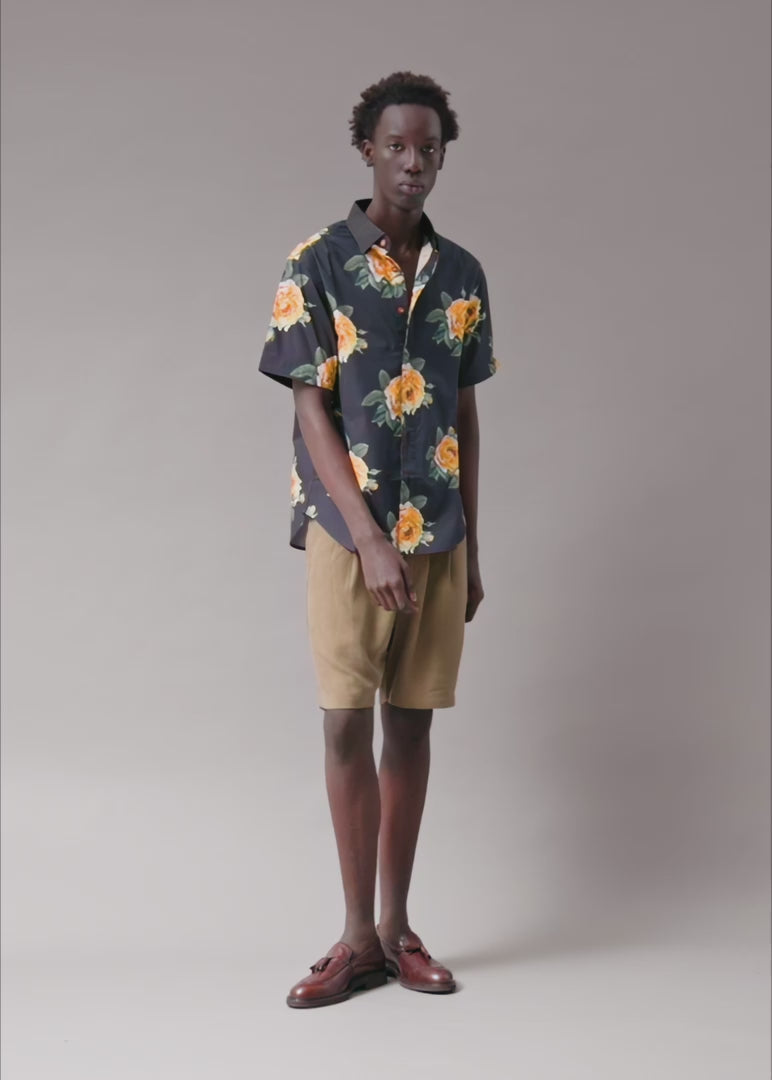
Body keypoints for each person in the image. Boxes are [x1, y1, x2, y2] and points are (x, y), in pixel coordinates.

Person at [258, 71, 497, 1009]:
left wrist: (472, 546)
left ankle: (397, 933)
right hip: (346, 532)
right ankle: (354, 939)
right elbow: (309, 408)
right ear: (367, 148)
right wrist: (367, 539)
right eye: (396, 145)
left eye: (428, 148)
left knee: (414, 722)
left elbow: (464, 413)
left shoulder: (463, 275)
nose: (413, 163)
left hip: (437, 533)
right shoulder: (314, 263)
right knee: (345, 720)